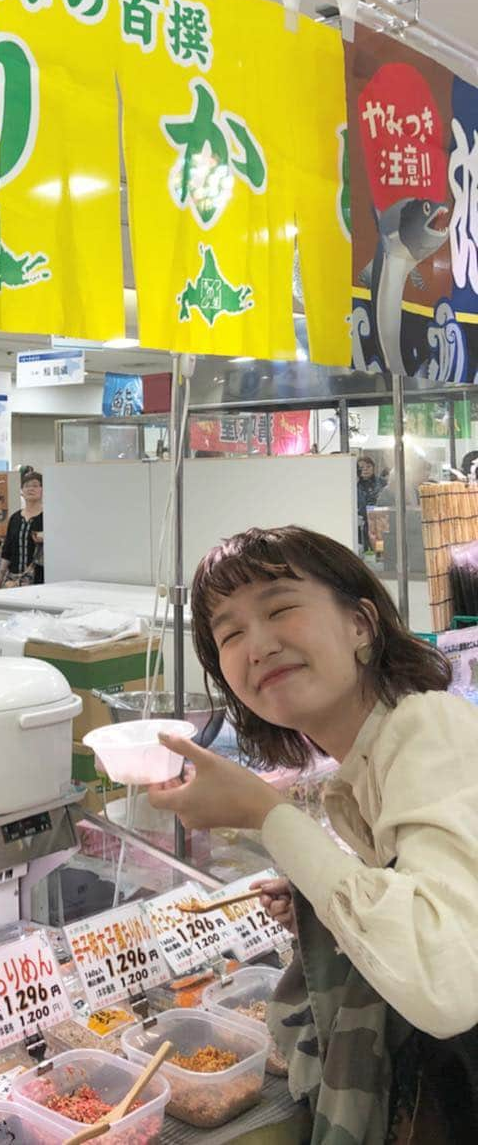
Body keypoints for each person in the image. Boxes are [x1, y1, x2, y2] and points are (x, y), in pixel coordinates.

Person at [149, 526, 478, 1142]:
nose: (259, 644)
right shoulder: (358, 770)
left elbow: (447, 987)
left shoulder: (428, 728)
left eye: (280, 608)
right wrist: (316, 890)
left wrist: (269, 816)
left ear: (361, 623)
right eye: (231, 633)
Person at [0, 470, 44, 587]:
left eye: (35, 485)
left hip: (40, 580)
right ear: (22, 490)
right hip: (13, 580)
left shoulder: (48, 517)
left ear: (43, 489)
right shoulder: (15, 518)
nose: (30, 489)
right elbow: (7, 551)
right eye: (26, 486)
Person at [355, 454, 385, 550]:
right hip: (361, 523)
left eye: (368, 466)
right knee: (363, 549)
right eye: (361, 467)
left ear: (373, 468)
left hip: (379, 522)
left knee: (379, 549)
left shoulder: (382, 482)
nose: (365, 469)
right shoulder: (354, 484)